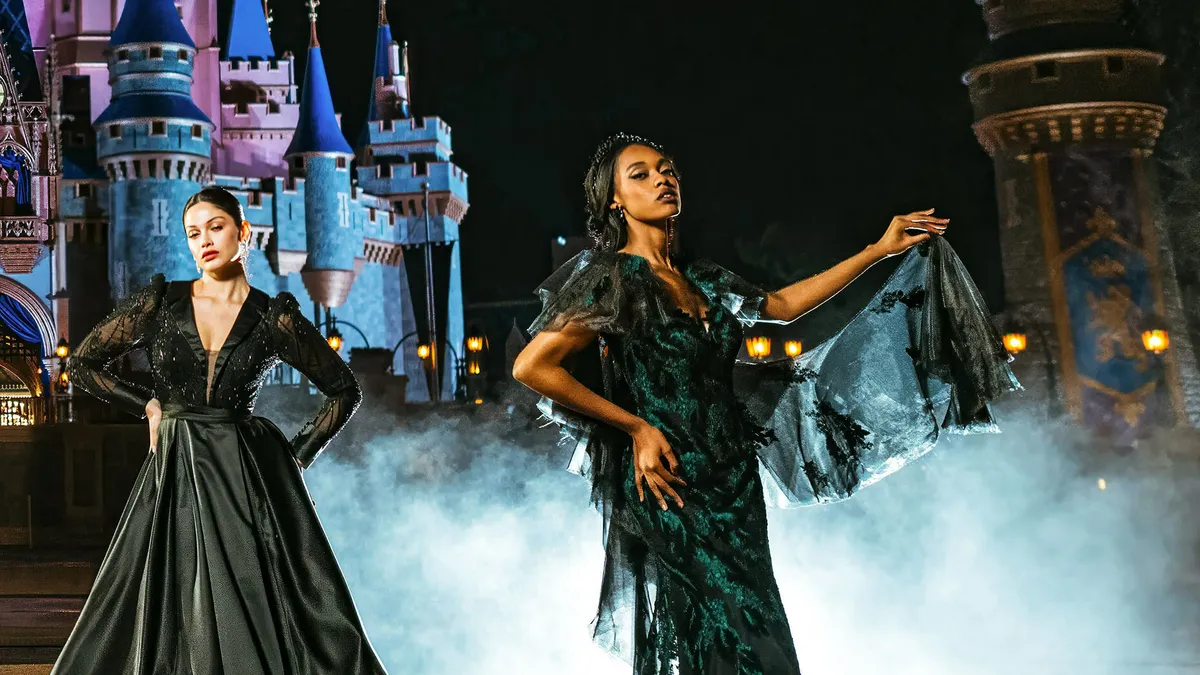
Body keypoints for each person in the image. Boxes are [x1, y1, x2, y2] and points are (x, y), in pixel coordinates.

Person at [511, 133, 1020, 674]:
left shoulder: (701, 278)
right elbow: (532, 367)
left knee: (754, 619)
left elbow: (779, 307)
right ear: (614, 200)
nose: (663, 179)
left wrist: (877, 251)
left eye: (668, 170)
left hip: (732, 475)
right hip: (670, 481)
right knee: (733, 629)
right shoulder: (610, 279)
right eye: (641, 174)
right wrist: (637, 428)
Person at [53, 186, 389, 674]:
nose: (204, 241)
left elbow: (345, 390)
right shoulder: (161, 303)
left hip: (243, 475)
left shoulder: (275, 317)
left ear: (242, 231)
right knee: (165, 603)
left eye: (216, 227)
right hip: (175, 470)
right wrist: (146, 404)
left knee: (252, 600)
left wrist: (295, 457)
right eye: (193, 232)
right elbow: (81, 364)